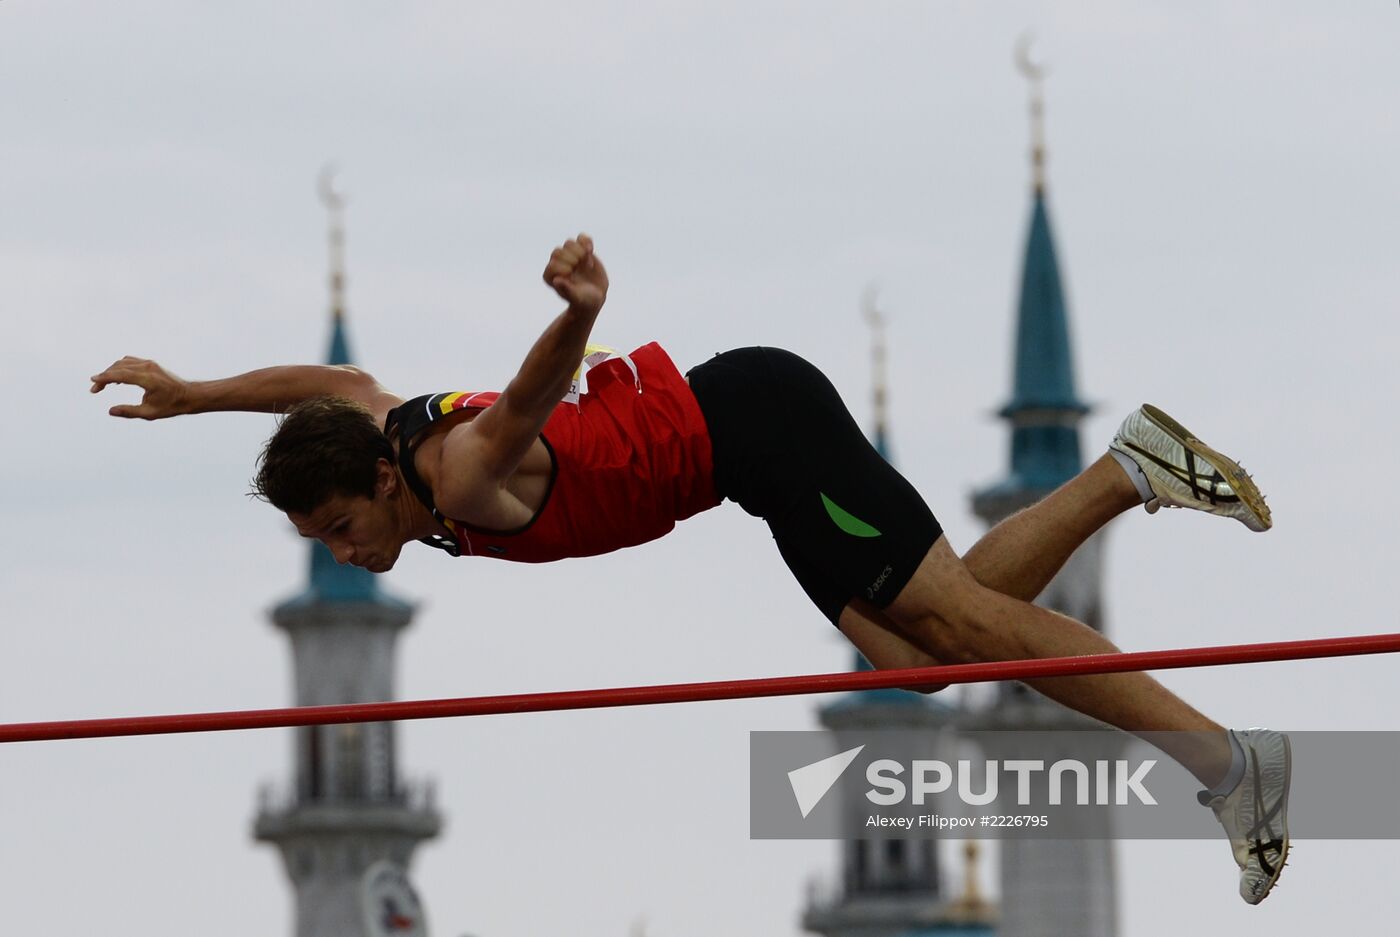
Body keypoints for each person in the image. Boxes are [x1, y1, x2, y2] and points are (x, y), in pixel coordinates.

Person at [91, 233, 1289, 903]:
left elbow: (524, 398)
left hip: (760, 429)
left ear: (380, 485)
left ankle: (1231, 766)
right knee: (917, 659)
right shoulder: (374, 425)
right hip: (743, 461)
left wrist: (581, 311)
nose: (346, 554)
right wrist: (196, 394)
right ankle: (1124, 470)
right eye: (324, 550)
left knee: (965, 633)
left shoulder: (454, 474)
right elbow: (326, 385)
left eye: (340, 529)